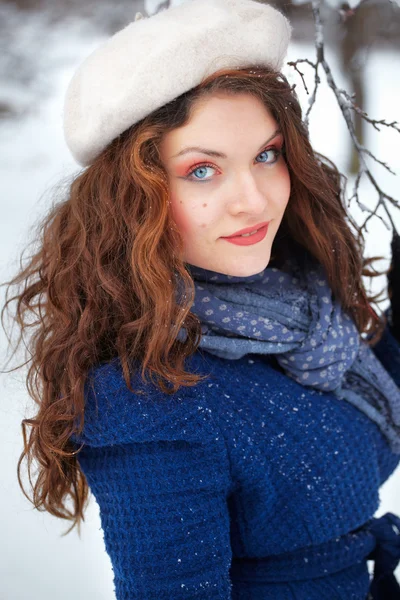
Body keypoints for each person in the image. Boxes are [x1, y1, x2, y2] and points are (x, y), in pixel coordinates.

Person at [2, 0, 400, 598]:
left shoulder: (290, 309)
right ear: (133, 198)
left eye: (266, 156)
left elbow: (342, 448)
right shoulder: (151, 403)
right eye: (202, 171)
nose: (255, 200)